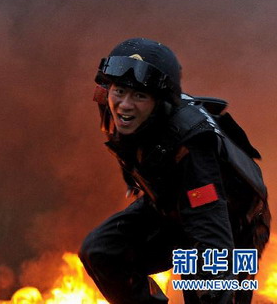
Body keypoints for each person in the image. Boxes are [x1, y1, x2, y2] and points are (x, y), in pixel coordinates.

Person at [79, 38, 270, 303]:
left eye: (139, 95)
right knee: (102, 251)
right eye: (119, 91)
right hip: (170, 206)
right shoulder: (112, 110)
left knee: (209, 290)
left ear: (160, 101)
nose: (124, 105)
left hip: (229, 222)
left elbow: (210, 224)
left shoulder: (191, 146)